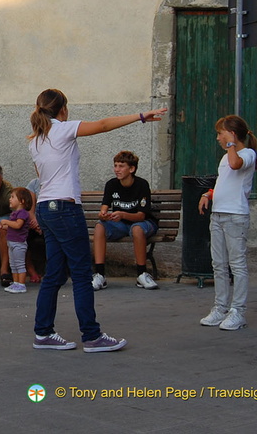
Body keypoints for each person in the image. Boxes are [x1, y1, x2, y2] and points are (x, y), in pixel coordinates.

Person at [28, 88, 166, 353]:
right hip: (65, 209)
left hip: (46, 207)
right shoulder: (64, 129)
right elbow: (102, 125)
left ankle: (43, 332)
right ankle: (92, 336)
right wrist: (140, 115)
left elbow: (44, 177)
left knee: (54, 274)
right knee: (81, 274)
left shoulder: (35, 140)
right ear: (63, 109)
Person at [197, 115, 257, 331]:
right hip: (218, 215)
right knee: (219, 265)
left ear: (232, 134)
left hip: (235, 217)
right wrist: (209, 193)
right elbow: (225, 183)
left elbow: (236, 165)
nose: (218, 138)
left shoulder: (247, 154)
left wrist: (232, 144)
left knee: (237, 265)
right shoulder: (225, 157)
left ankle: (237, 311)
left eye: (220, 133)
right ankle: (220, 307)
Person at [91, 151, 158, 291]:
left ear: (131, 169)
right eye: (115, 166)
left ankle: (141, 274)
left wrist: (122, 214)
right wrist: (103, 215)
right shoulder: (111, 185)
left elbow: (141, 216)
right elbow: (104, 208)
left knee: (137, 229)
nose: (117, 169)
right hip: (120, 224)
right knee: (99, 227)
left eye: (121, 166)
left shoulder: (142, 185)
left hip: (143, 223)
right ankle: (100, 275)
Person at [0, 187, 37, 293]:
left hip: (19, 244)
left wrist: (5, 222)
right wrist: (1, 227)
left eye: (13, 197)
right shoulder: (14, 214)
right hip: (12, 243)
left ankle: (21, 284)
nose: (10, 199)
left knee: (19, 264)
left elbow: (18, 225)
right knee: (13, 264)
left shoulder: (22, 213)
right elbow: (12, 227)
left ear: (22, 201)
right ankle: (16, 283)